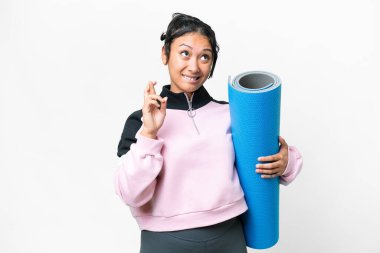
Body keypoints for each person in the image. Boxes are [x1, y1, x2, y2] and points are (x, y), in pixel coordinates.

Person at [114, 13, 303, 253]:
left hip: (229, 237)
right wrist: (149, 133)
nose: (194, 66)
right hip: (164, 242)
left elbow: (272, 158)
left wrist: (285, 162)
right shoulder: (142, 120)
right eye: (185, 53)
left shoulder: (232, 113)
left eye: (205, 57)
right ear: (165, 54)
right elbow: (131, 194)